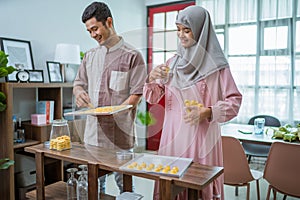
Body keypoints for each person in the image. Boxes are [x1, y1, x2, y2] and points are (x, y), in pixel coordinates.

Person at [143, 5, 242, 200]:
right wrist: (151, 78)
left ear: (201, 30)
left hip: (201, 139)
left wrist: (208, 112)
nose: (181, 35)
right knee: (170, 185)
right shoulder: (172, 63)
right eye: (178, 29)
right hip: (172, 138)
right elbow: (152, 97)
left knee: (197, 187)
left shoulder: (217, 66)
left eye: (186, 30)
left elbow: (235, 101)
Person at [73, 1, 147, 194]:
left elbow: (137, 94)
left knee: (126, 187)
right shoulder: (89, 56)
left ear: (109, 22)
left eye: (95, 28)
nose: (93, 35)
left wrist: (116, 111)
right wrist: (79, 93)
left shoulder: (133, 56)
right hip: (93, 136)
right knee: (95, 186)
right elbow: (78, 83)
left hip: (120, 136)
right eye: (89, 31)